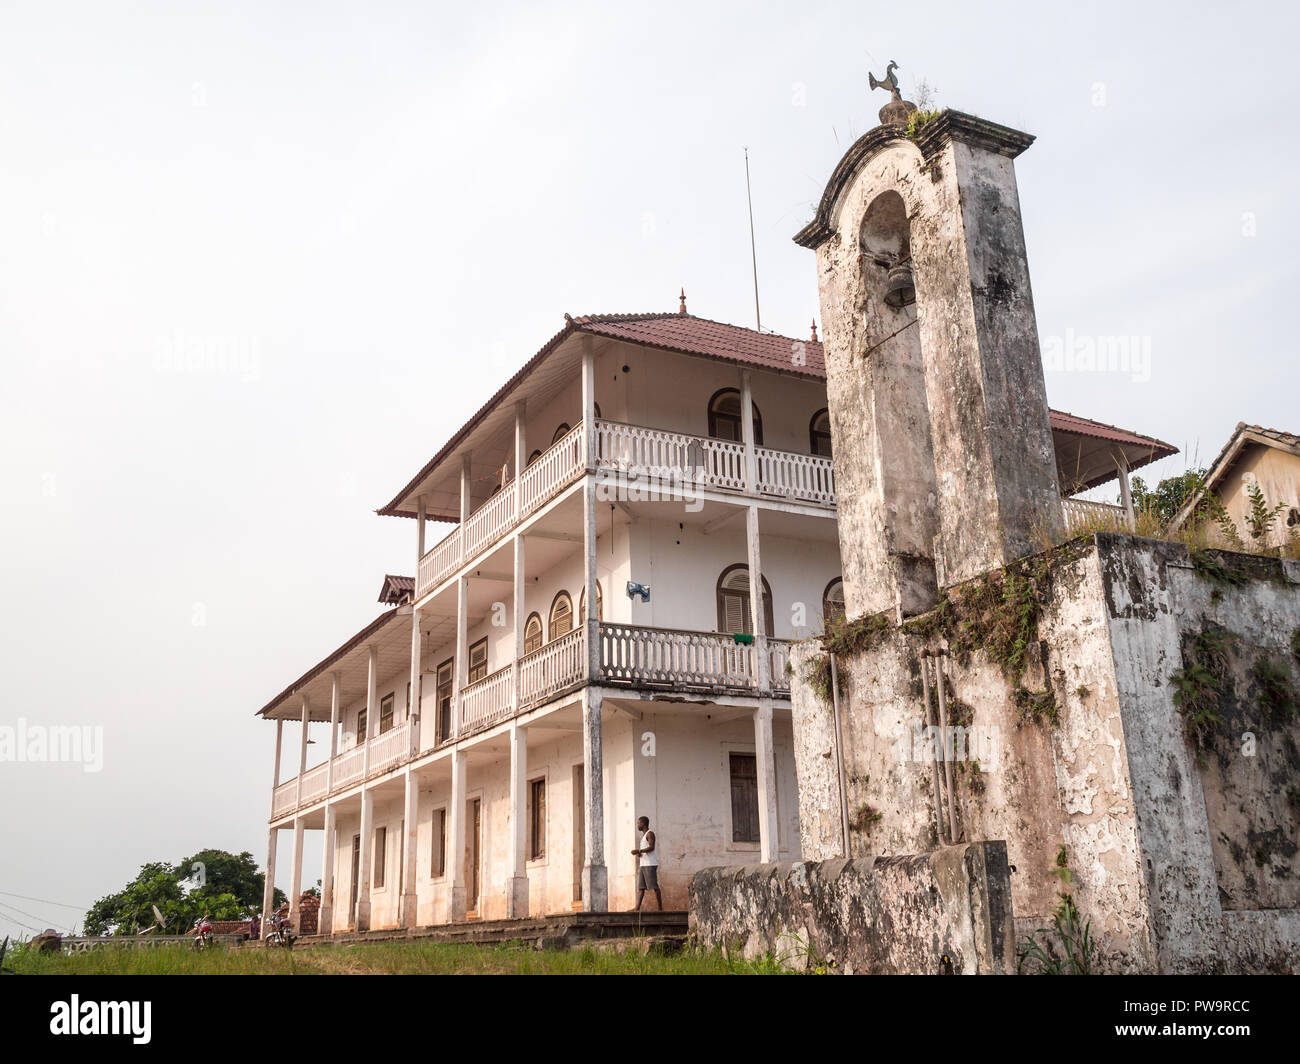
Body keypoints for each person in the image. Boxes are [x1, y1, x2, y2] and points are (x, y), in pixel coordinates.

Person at [631, 815, 661, 911]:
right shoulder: (643, 836)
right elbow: (645, 851)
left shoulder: (650, 834)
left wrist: (639, 851)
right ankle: (637, 908)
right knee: (641, 888)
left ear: (643, 824)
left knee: (654, 887)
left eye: (638, 823)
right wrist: (639, 854)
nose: (637, 825)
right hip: (643, 864)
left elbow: (651, 847)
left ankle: (660, 908)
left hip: (650, 864)